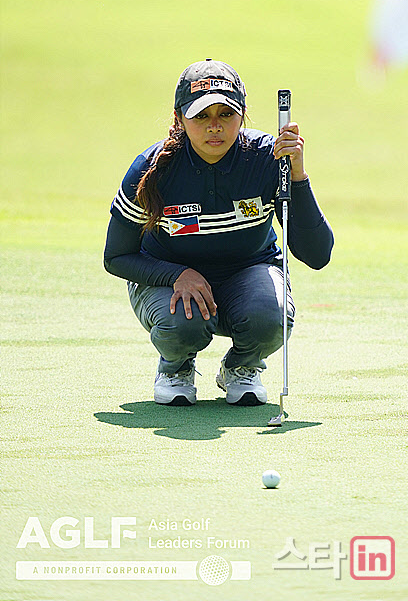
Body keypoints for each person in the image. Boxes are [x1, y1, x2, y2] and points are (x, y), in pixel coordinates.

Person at [104, 59, 333, 407]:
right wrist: (177, 274)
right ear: (180, 119)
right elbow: (116, 257)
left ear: (242, 116)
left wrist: (297, 177)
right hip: (167, 280)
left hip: (248, 272)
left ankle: (242, 367)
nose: (214, 127)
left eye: (225, 115)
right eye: (201, 116)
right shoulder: (151, 171)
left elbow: (317, 255)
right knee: (182, 324)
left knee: (270, 316)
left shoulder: (267, 159)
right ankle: (175, 367)